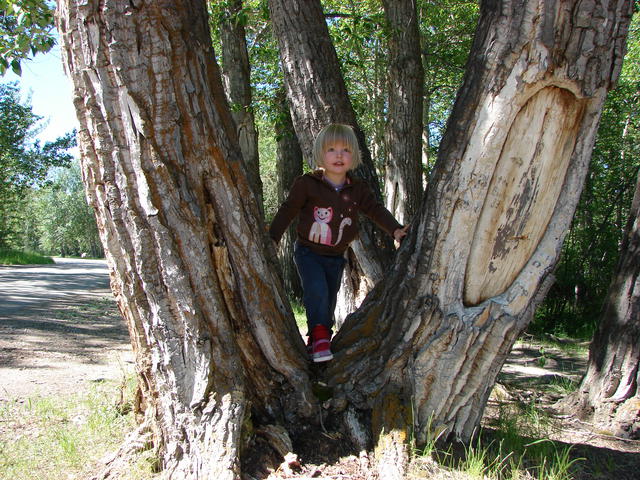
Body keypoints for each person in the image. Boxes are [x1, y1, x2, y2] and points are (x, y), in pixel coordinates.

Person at [269, 123, 408, 362]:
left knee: (330, 297)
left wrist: (395, 230)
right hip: (308, 252)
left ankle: (319, 339)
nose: (339, 155)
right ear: (320, 154)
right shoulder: (307, 184)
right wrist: (272, 237)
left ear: (354, 155)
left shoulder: (357, 189)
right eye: (331, 149)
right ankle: (320, 335)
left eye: (346, 150)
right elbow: (288, 209)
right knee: (317, 291)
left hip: (336, 256)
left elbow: (375, 210)